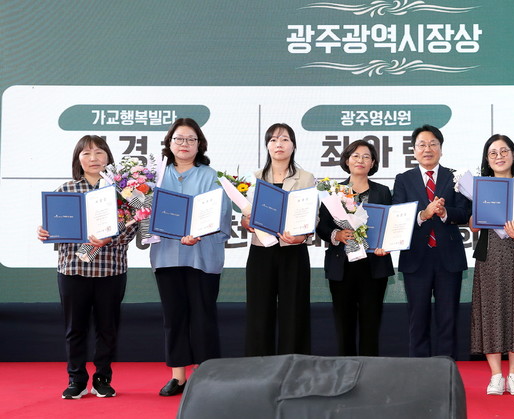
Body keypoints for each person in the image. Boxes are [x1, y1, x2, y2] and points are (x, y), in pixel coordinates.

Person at [37, 135, 138, 399]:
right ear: (78, 159)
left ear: (108, 157)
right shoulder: (66, 189)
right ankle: (77, 380)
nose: (93, 158)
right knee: (75, 328)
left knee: (107, 328)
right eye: (86, 153)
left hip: (110, 270)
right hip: (73, 269)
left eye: (99, 152)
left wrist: (110, 238)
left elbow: (132, 227)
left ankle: (102, 378)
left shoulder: (123, 191)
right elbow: (55, 225)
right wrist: (46, 231)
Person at [150, 118, 232, 396]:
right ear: (169, 143)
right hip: (166, 255)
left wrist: (198, 232)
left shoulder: (211, 176)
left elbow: (220, 213)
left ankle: (206, 376)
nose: (184, 144)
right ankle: (178, 377)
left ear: (200, 145)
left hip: (202, 255)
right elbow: (145, 214)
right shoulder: (154, 176)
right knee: (174, 317)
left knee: (202, 315)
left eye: (190, 139)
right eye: (178, 138)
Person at [469, 135, 514, 396]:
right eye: (493, 153)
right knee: (490, 313)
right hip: (489, 257)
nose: (499, 156)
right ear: (487, 160)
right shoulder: (482, 188)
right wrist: (477, 212)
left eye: (504, 151)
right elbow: (473, 226)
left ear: (513, 154)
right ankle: (496, 376)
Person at [392, 124, 471, 359]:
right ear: (414, 151)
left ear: (441, 149)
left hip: (449, 258)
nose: (427, 149)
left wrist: (445, 212)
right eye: (422, 145)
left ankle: (446, 367)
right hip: (416, 259)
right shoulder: (403, 179)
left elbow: (465, 212)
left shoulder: (454, 177)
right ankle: (419, 370)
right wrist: (423, 214)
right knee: (418, 319)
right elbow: (397, 214)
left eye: (433, 144)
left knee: (448, 319)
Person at [242, 123, 315, 356]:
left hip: (293, 251)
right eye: (273, 140)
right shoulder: (254, 178)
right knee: (259, 310)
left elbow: (313, 216)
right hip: (261, 250)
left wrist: (302, 236)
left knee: (294, 311)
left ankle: (294, 365)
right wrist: (246, 222)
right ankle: (259, 367)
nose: (278, 144)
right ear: (267, 146)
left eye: (284, 139)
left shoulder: (306, 178)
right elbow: (246, 215)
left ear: (293, 145)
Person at [315, 140, 394, 356]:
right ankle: (346, 370)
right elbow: (322, 226)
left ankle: (370, 371)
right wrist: (337, 234)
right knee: (344, 325)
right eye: (355, 156)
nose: (361, 160)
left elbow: (390, 224)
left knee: (371, 324)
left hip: (374, 265)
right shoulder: (333, 192)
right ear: (347, 160)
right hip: (342, 266)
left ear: (373, 163)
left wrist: (386, 244)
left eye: (366, 156)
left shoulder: (383, 192)